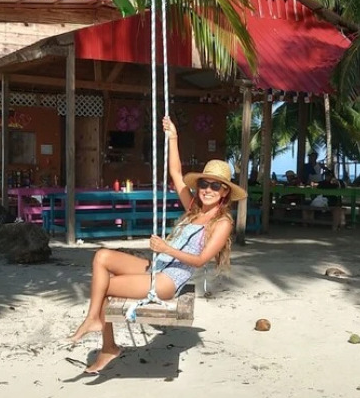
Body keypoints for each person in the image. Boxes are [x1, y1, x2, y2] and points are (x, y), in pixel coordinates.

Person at [70, 116, 246, 374]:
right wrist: (173, 136)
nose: (207, 189)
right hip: (157, 267)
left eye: (215, 186)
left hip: (169, 280)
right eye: (203, 184)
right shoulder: (193, 209)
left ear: (224, 192)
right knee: (102, 256)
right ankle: (94, 319)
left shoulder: (223, 222)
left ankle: (105, 341)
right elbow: (176, 173)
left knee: (105, 288)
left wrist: (167, 249)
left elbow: (199, 261)